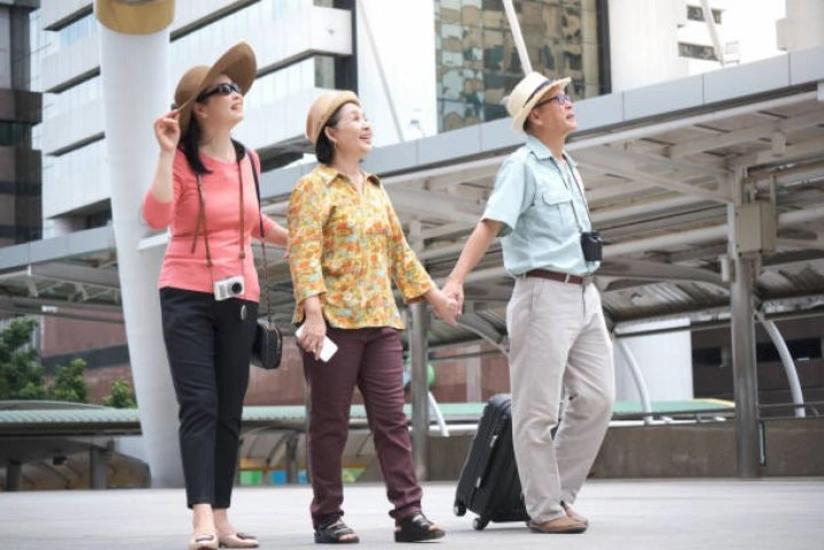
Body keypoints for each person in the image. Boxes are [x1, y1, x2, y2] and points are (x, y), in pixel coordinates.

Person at [443, 72, 615, 534]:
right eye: (558, 99)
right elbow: (489, 224)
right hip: (543, 293)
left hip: (584, 292)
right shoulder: (520, 166)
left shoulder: (568, 166)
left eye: (567, 96)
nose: (569, 102)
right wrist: (455, 280)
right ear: (535, 116)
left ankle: (556, 495)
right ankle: (544, 509)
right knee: (537, 409)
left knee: (598, 398)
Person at [288, 90, 457, 544]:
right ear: (330, 133)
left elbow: (400, 254)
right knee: (330, 424)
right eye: (355, 119)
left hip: (381, 321)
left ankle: (408, 514)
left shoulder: (376, 189)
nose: (366, 125)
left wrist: (437, 298)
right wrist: (314, 314)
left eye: (366, 117)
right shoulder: (313, 187)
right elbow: (303, 254)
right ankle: (327, 517)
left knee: (392, 421)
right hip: (333, 324)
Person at [142, 42, 287, 550]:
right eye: (223, 89)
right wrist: (165, 153)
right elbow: (156, 217)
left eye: (236, 87)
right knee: (199, 405)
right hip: (185, 294)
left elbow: (251, 221)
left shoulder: (250, 160)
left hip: (240, 298)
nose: (235, 93)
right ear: (200, 109)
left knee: (229, 410)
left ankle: (222, 519)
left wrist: (297, 239)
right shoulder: (182, 161)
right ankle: (200, 516)